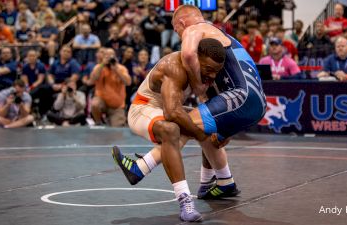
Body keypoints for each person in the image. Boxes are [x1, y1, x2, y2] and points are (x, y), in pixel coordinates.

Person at [112, 39, 233, 222]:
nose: (213, 75)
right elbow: (172, 113)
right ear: (195, 58)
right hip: (143, 110)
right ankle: (184, 201)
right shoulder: (174, 66)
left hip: (167, 108)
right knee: (172, 129)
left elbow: (214, 109)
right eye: (209, 69)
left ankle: (210, 182)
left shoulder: (209, 71)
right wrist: (199, 134)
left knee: (207, 122)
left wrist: (224, 131)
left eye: (217, 70)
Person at [171, 4, 266, 198]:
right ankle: (215, 182)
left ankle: (142, 167)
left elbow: (188, 54)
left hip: (241, 96)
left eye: (176, 30)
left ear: (181, 23)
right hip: (255, 101)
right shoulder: (218, 36)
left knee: (182, 123)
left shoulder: (195, 28)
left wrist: (197, 86)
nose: (179, 35)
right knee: (207, 132)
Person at [87, 48, 131, 127]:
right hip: (102, 102)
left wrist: (116, 70)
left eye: (111, 55)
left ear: (115, 57)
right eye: (107, 55)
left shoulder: (121, 68)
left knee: (118, 127)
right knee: (95, 104)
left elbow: (128, 82)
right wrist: (102, 64)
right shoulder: (98, 67)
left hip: (116, 107)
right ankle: (98, 122)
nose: (109, 57)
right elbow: (92, 80)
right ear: (103, 57)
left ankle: (109, 119)